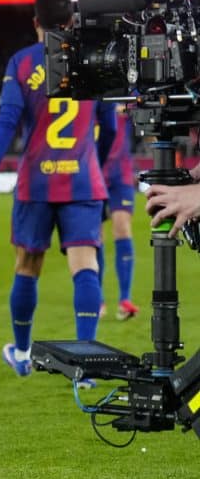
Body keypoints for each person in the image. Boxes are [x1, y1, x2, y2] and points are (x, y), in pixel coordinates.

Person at [0, 0, 116, 387]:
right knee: (84, 265)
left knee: (28, 266)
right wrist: (96, 165)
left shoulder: (21, 63)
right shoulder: (92, 59)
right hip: (83, 179)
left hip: (36, 182)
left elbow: (7, 122)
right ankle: (85, 366)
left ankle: (20, 353)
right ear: (71, 23)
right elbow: (113, 125)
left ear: (35, 23)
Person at [98, 106, 139, 320]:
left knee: (122, 228)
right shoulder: (91, 95)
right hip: (94, 171)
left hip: (120, 174)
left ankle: (125, 300)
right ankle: (98, 299)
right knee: (95, 237)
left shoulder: (125, 91)